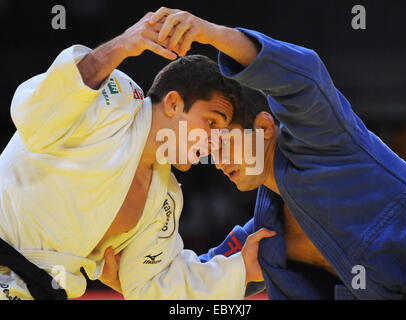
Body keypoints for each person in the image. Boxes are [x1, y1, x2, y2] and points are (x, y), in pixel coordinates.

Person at [106, 7, 406, 300]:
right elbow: (194, 278)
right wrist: (134, 279)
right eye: (211, 150)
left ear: (265, 127)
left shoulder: (323, 142)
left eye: (224, 141)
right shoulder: (262, 237)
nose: (218, 162)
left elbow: (304, 75)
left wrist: (210, 33)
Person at [0, 11, 276, 300]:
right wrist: (122, 46)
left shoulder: (164, 199)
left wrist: (240, 268)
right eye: (211, 122)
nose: (213, 141)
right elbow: (34, 114)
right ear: (172, 103)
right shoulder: (114, 101)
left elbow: (153, 285)